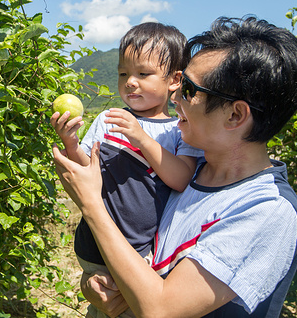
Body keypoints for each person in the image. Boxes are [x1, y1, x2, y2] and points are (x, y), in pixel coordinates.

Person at [53, 16, 297, 318]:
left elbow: (160, 309)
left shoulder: (265, 209)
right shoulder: (194, 174)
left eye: (188, 89)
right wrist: (94, 285)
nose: (174, 97)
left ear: (235, 115)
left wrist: (92, 206)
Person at [51, 22, 204, 317]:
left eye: (143, 74)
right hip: (93, 246)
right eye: (123, 74)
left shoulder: (180, 130)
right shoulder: (109, 119)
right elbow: (87, 170)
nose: (130, 82)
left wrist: (142, 138)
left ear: (174, 79)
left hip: (136, 255)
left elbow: (181, 178)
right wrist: (70, 143)